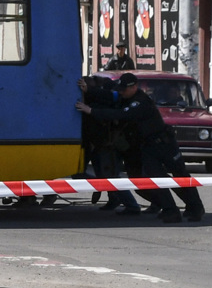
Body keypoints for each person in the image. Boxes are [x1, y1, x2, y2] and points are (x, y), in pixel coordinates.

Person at [77, 72, 204, 222]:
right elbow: (109, 96)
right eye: (121, 89)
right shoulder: (126, 97)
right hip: (148, 147)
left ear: (134, 87)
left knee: (180, 176)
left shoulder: (140, 102)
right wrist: (88, 90)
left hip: (164, 145)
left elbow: (120, 115)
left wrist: (91, 111)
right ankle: (170, 210)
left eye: (124, 89)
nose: (121, 92)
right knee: (157, 179)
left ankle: (195, 208)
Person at [79, 76, 138, 213]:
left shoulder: (107, 96)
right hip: (97, 142)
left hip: (107, 143)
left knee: (111, 176)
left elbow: (112, 98)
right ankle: (113, 198)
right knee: (102, 174)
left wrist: (89, 92)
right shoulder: (99, 97)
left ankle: (132, 205)